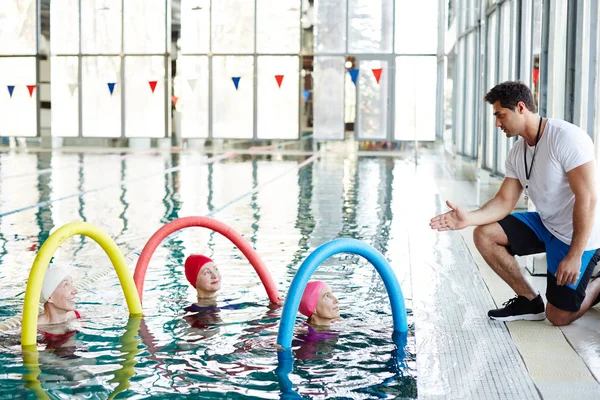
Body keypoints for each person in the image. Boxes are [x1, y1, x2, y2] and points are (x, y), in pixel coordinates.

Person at [430, 80, 600, 326]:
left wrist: (574, 254)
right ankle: (529, 300)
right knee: (484, 233)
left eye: (500, 115)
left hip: (579, 233)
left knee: (558, 316)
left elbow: (589, 198)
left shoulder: (566, 138)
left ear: (521, 107)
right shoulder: (517, 152)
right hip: (546, 223)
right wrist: (468, 218)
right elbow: (503, 201)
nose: (497, 123)